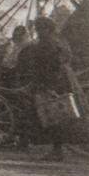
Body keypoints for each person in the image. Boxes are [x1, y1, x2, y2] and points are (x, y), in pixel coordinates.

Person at [19, 15, 75, 162]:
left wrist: (46, 85)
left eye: (40, 29)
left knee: (52, 117)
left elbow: (47, 67)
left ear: (47, 29)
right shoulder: (60, 42)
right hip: (61, 82)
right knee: (58, 116)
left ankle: (56, 151)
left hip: (50, 84)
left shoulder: (47, 44)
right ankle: (55, 149)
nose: (38, 32)